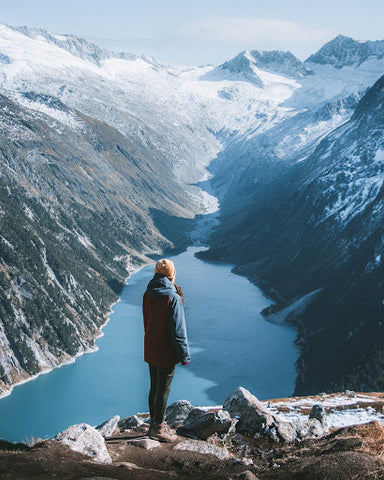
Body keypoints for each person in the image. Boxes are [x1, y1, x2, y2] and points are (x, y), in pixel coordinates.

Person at [142, 258, 190, 442]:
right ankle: (157, 428)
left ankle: (154, 424)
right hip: (166, 351)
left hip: (151, 347)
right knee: (164, 389)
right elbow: (179, 330)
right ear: (172, 275)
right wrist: (184, 354)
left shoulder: (148, 293)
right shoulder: (173, 297)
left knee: (154, 387)